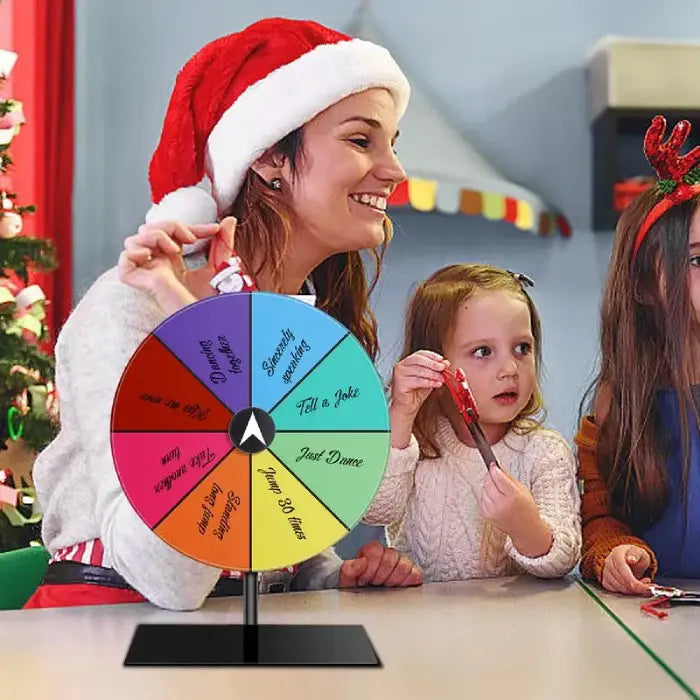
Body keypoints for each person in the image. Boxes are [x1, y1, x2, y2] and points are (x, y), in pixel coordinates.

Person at [26, 17, 423, 610]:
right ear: (269, 160)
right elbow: (167, 579)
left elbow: (260, 514)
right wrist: (203, 336)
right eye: (362, 140)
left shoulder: (301, 322)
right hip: (106, 637)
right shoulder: (128, 311)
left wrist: (323, 573)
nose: (395, 170)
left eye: (394, 144)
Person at [363, 264, 581, 581]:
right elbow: (376, 511)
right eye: (483, 351)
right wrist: (401, 414)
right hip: (420, 623)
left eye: (522, 348)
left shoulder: (544, 452)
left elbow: (563, 560)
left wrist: (526, 526)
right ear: (435, 363)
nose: (509, 368)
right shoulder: (415, 445)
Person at [576, 115, 700, 594]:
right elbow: (600, 517)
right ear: (646, 286)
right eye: (696, 259)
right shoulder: (617, 401)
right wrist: (613, 553)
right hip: (654, 620)